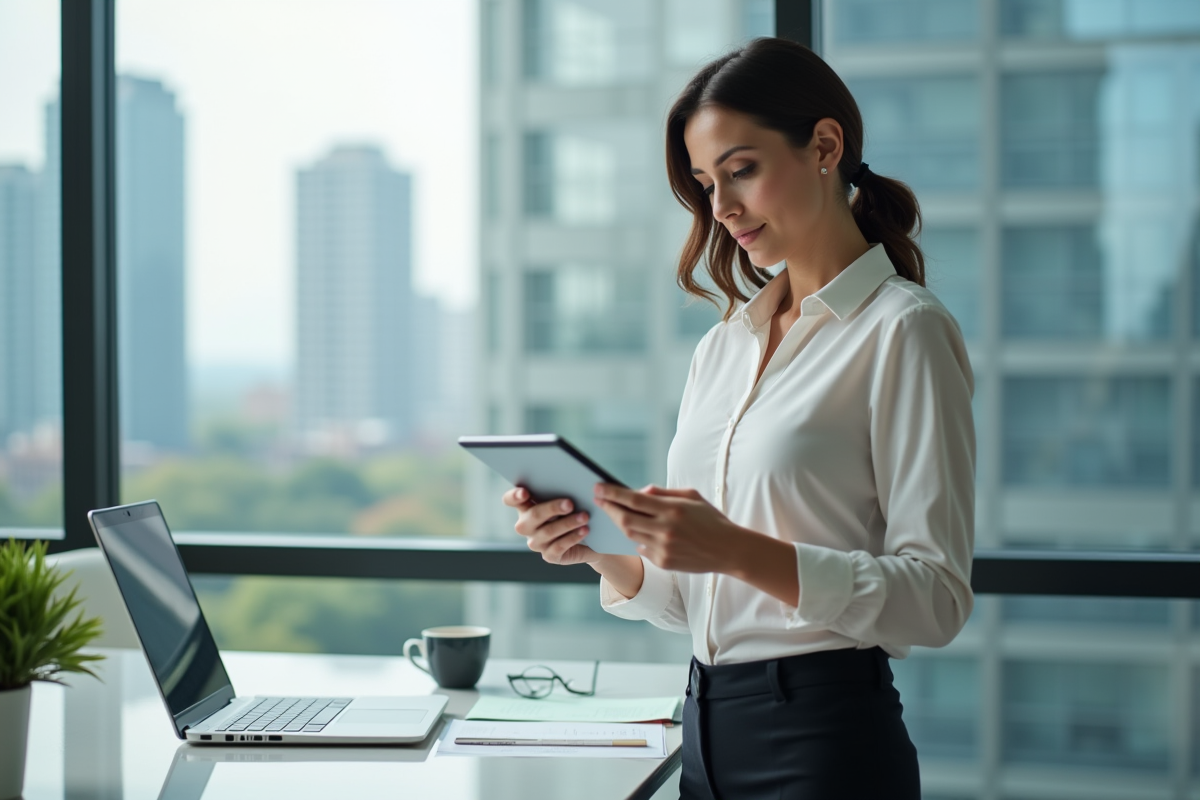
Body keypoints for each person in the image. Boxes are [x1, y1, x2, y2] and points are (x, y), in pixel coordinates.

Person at [502, 37, 974, 800]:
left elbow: (937, 599)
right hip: (703, 729)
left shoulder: (903, 330)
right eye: (702, 182)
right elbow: (694, 600)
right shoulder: (721, 349)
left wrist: (733, 547)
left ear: (825, 146)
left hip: (826, 741)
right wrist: (602, 546)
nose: (720, 208)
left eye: (741, 170)